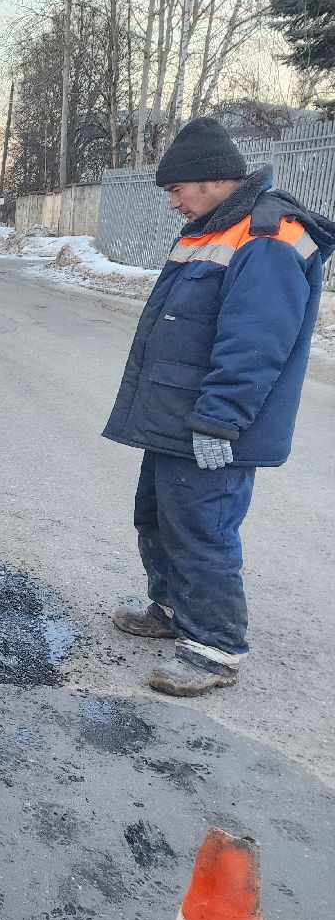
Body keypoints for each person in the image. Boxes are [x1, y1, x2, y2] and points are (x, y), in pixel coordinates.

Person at [103, 116, 334, 696]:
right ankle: (174, 609)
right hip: (174, 416)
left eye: (176, 189)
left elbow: (255, 343)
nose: (173, 201)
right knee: (159, 518)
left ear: (209, 180)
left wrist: (219, 420)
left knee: (202, 529)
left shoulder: (266, 236)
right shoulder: (211, 230)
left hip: (211, 424)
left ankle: (214, 648)